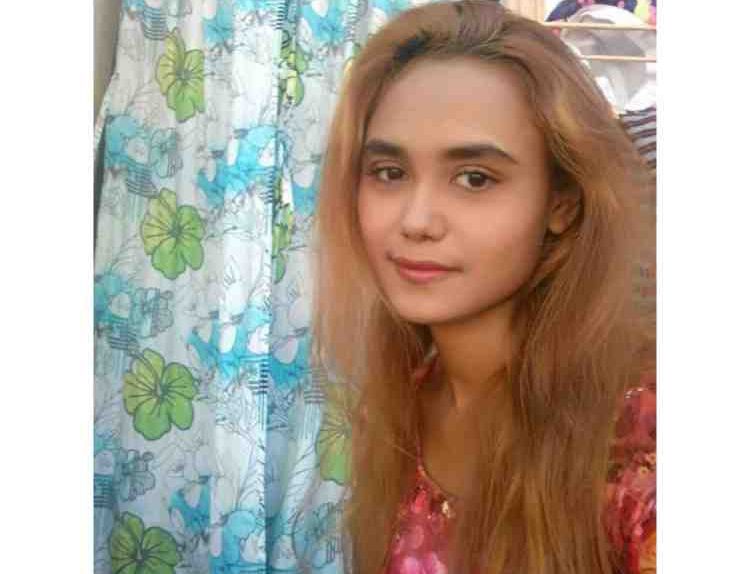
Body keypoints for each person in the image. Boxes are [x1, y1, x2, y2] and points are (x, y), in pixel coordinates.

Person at [311, 1, 656, 572]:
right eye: (389, 173)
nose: (416, 220)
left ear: (562, 203)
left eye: (474, 178)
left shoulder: (639, 442)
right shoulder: (402, 398)